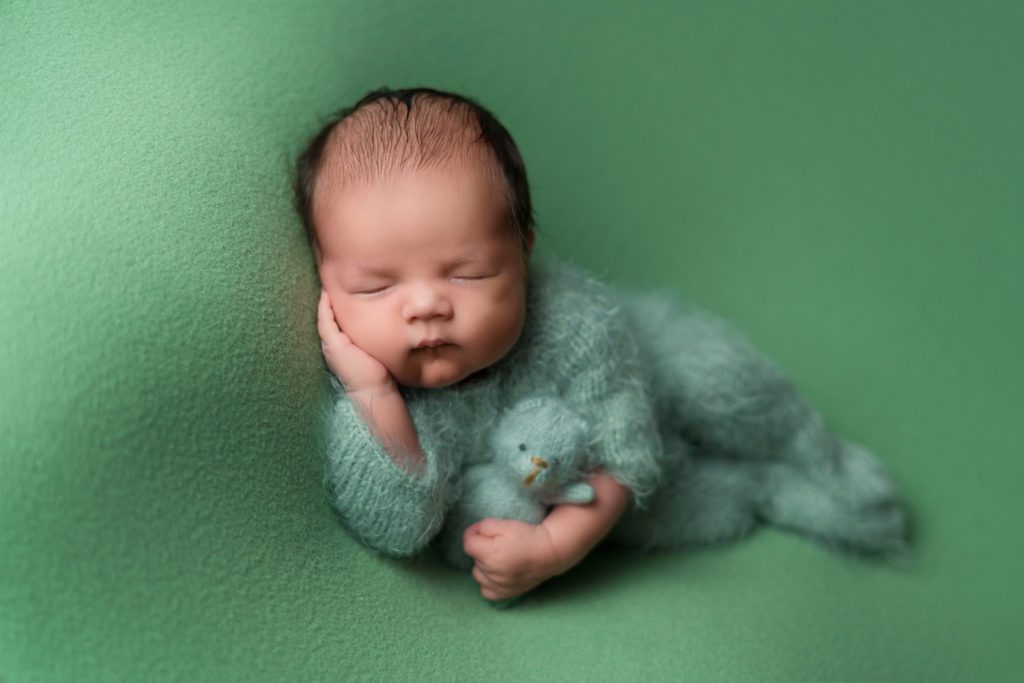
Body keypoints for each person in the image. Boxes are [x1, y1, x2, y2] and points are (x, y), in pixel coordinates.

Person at [294, 86, 909, 602]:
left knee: (724, 387)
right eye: (375, 286)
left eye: (469, 273)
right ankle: (765, 491)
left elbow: (625, 454)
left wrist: (555, 549)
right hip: (600, 494)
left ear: (523, 256)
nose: (426, 306)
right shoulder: (389, 387)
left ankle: (815, 454)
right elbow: (394, 522)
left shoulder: (572, 322)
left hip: (650, 363)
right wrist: (370, 389)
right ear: (328, 283)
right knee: (681, 511)